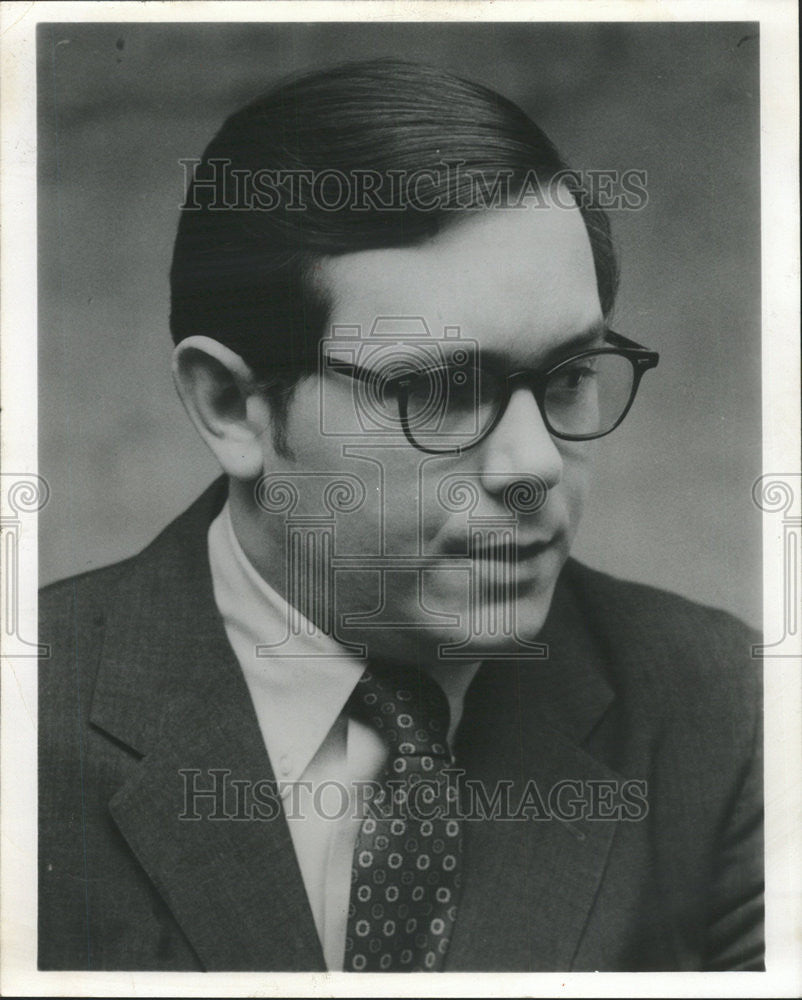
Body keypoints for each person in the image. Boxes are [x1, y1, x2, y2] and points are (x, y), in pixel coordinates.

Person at [38, 59, 763, 972]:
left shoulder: (718, 710)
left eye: (571, 376)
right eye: (438, 392)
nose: (534, 464)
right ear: (232, 406)